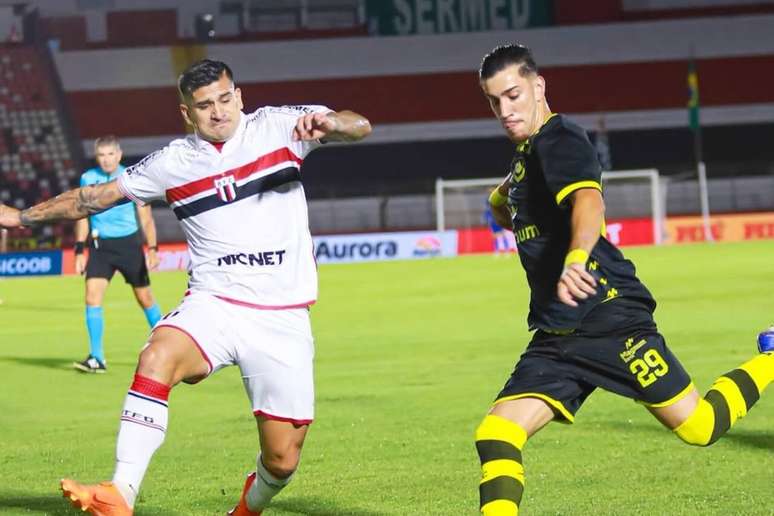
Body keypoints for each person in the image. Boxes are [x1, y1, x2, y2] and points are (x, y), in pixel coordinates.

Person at [0, 59, 371, 515]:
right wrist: (19, 217)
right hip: (214, 304)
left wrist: (333, 123)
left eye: (224, 99)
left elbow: (360, 126)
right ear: (186, 113)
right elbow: (91, 198)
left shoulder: (280, 128)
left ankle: (248, 506)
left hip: (283, 315)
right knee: (157, 355)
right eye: (203, 106)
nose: (218, 112)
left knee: (282, 460)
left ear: (239, 96)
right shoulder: (173, 162)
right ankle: (120, 492)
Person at [473, 43, 773, 516]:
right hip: (558, 335)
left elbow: (589, 202)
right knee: (496, 433)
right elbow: (503, 199)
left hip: (610, 319)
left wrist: (575, 258)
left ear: (537, 86)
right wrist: (504, 197)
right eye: (494, 101)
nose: (504, 110)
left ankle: (771, 358)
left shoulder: (561, 139)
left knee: (700, 426)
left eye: (513, 95)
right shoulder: (526, 155)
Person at [73, 135, 162, 373]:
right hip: (100, 247)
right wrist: (79, 249)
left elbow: (146, 217)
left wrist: (152, 248)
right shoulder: (88, 178)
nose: (106, 160)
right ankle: (97, 358)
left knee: (145, 299)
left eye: (110, 154)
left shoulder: (132, 177)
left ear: (119, 155)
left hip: (129, 246)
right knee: (92, 296)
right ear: (97, 156)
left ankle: (167, 346)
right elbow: (83, 215)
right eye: (101, 155)